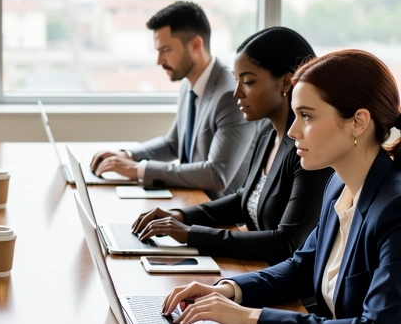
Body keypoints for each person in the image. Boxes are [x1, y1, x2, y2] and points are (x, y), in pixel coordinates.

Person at [162, 49, 401, 324]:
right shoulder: (339, 186)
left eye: (306, 116)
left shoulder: (395, 210)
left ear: (358, 122)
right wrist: (227, 289)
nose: (292, 130)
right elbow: (301, 266)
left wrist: (249, 318)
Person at [133, 27, 332, 263]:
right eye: (237, 81)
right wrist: (180, 217)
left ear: (286, 83)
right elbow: (243, 200)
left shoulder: (307, 151)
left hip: (285, 288)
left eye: (247, 82)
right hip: (255, 269)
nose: (237, 93)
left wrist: (191, 235)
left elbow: (286, 243)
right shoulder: (268, 132)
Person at [90, 1, 254, 197]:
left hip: (219, 215)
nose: (159, 61)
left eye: (166, 50)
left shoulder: (230, 96)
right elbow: (173, 143)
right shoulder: (189, 85)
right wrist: (127, 156)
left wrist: (137, 170)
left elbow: (216, 175)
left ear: (195, 45)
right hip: (189, 199)